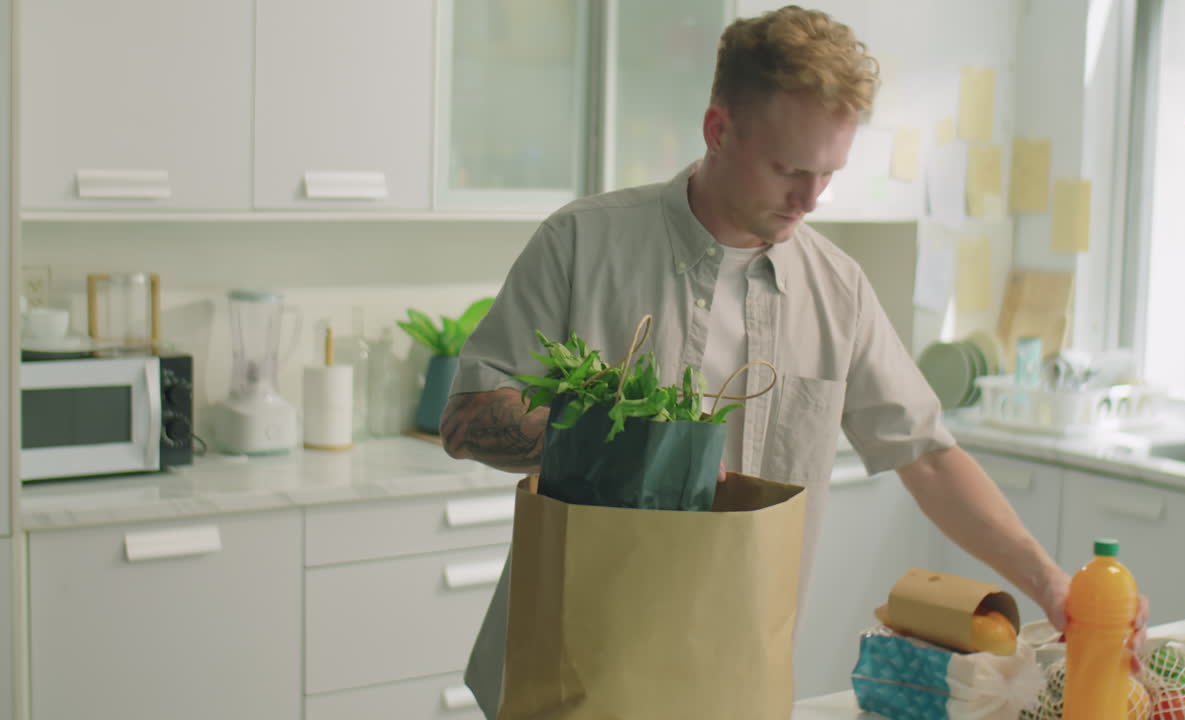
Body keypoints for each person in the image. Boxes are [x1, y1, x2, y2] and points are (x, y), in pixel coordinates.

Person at [442, 5, 1146, 715]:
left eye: (829, 173)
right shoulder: (581, 244)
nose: (810, 199)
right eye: (789, 170)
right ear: (719, 131)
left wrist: (1054, 585)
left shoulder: (836, 290)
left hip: (733, 674)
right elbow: (468, 418)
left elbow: (927, 456)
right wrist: (624, 443)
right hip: (571, 669)